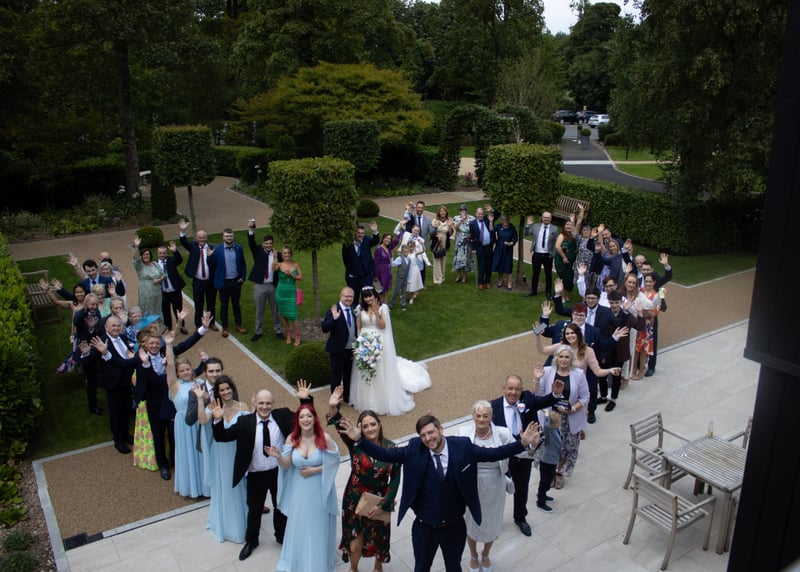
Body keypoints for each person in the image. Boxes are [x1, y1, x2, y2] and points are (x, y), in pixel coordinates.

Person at [339, 414, 543, 572]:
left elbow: (494, 454)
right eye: (423, 435)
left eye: (431, 432)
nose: (428, 438)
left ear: (441, 429)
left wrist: (521, 443)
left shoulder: (462, 447)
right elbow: (385, 454)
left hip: (454, 526)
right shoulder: (414, 449)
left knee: (453, 567)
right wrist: (360, 440)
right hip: (424, 527)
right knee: (421, 568)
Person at [211, 384, 313, 561]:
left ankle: (281, 536)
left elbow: (306, 420)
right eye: (261, 403)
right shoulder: (244, 422)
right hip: (256, 474)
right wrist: (218, 421)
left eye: (268, 403)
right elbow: (222, 437)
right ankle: (252, 541)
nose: (264, 407)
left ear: (273, 403)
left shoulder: (283, 416)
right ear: (254, 403)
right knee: (254, 509)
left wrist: (305, 401)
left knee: (280, 506)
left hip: (278, 472)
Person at [327, 386, 400, 572]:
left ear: (379, 425)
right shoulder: (355, 443)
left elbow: (395, 479)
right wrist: (333, 407)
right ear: (360, 428)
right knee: (354, 544)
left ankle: (378, 566)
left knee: (379, 539)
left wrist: (385, 503)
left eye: (373, 424)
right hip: (354, 499)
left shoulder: (392, 448)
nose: (370, 429)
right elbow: (340, 424)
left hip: (379, 501)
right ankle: (354, 568)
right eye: (365, 426)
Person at [134, 311, 210, 480]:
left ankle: (177, 461)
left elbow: (185, 345)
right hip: (155, 402)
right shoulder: (141, 360)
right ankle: (162, 464)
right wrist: (146, 364)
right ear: (145, 345)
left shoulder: (165, 352)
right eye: (151, 343)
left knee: (174, 433)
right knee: (158, 434)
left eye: (157, 343)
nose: (154, 346)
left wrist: (203, 329)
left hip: (171, 401)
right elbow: (154, 381)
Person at [267, 403, 340, 572]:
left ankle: (317, 563)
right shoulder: (292, 439)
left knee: (317, 525)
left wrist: (315, 470)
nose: (306, 419)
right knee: (299, 525)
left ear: (314, 418)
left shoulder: (324, 438)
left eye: (309, 416)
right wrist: (278, 456)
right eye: (302, 417)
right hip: (299, 491)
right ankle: (299, 561)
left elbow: (334, 461)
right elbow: (286, 465)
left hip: (318, 489)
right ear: (298, 420)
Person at [489, 374, 563, 537]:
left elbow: (545, 401)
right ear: (504, 388)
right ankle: (494, 520)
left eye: (517, 389)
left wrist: (556, 394)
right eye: (510, 388)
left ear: (521, 390)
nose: (513, 392)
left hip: (524, 455)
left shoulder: (528, 399)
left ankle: (520, 518)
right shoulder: (493, 407)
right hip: (503, 456)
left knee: (521, 489)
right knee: (497, 490)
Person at [350, 287, 429, 416]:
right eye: (365, 297)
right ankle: (368, 400)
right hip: (365, 343)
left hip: (379, 342)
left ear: (375, 295)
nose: (368, 299)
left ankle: (382, 399)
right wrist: (360, 341)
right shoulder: (360, 309)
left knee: (380, 370)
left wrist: (376, 312)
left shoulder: (383, 308)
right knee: (366, 370)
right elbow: (359, 326)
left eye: (370, 296)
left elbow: (382, 326)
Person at [458, 400, 515, 572]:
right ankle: (473, 555)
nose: (481, 419)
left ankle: (486, 554)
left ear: (491, 417)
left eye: (485, 416)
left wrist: (531, 444)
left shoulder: (503, 433)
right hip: (472, 485)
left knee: (493, 522)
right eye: (478, 415)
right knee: (471, 523)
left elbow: (518, 450)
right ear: (472, 416)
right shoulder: (463, 433)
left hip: (495, 484)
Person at [197, 376, 248, 543]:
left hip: (237, 451)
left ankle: (241, 522)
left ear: (232, 389)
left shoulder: (243, 407)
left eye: (228, 388)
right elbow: (202, 420)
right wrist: (200, 400)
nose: (226, 392)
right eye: (222, 390)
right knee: (224, 485)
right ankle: (226, 525)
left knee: (238, 485)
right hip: (220, 453)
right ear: (218, 392)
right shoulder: (214, 406)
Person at [534, 347, 590, 490]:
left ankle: (559, 473)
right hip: (551, 417)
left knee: (567, 447)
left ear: (571, 359)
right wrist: (537, 379)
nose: (563, 360)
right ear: (556, 358)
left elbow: (585, 397)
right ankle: (549, 472)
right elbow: (538, 395)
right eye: (561, 356)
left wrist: (572, 408)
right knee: (548, 447)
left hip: (570, 418)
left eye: (566, 357)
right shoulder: (547, 371)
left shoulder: (578, 374)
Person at [165, 335, 208, 497]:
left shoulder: (200, 383)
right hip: (184, 423)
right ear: (177, 373)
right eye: (181, 371)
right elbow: (170, 365)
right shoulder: (174, 385)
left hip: (200, 420)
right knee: (188, 454)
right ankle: (192, 488)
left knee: (203, 453)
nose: (185, 372)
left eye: (187, 369)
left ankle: (206, 486)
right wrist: (169, 345)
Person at [247, 221, 284, 341]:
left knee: (275, 310)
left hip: (273, 286)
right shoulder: (258, 251)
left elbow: (284, 266)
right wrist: (251, 230)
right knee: (260, 310)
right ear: (263, 244)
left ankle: (278, 330)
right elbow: (251, 243)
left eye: (270, 243)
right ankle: (258, 331)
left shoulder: (278, 255)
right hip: (260, 285)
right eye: (266, 243)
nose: (268, 245)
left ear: (273, 244)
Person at [178, 219, 218, 330]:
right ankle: (198, 324)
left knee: (211, 303)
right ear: (196, 238)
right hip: (198, 281)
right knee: (198, 303)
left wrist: (211, 257)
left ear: (206, 238)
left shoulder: (212, 248)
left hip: (210, 281)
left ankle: (211, 323)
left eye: (203, 237)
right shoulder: (193, 247)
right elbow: (183, 242)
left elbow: (216, 264)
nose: (201, 239)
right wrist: (183, 231)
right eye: (199, 238)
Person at [209, 228, 247, 338]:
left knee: (236, 304)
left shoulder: (238, 248)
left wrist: (242, 277)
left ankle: (239, 325)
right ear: (223, 237)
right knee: (224, 305)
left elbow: (243, 264)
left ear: (233, 237)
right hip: (224, 282)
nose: (229, 238)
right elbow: (211, 265)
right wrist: (209, 257)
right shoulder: (217, 249)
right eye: (226, 236)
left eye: (230, 236)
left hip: (236, 281)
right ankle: (225, 327)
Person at [322, 287, 357, 403]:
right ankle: (335, 400)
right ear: (341, 296)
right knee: (336, 377)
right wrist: (334, 318)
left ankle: (347, 398)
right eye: (346, 296)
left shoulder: (354, 309)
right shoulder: (333, 310)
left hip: (351, 349)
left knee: (348, 375)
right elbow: (324, 328)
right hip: (337, 350)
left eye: (351, 297)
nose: (349, 299)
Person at [343, 221, 380, 306]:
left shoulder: (367, 239)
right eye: (359, 233)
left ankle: (366, 311)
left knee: (367, 296)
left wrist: (375, 231)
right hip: (354, 276)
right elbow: (345, 258)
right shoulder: (348, 243)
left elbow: (375, 241)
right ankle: (354, 312)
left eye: (362, 233)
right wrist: (350, 271)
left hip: (366, 275)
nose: (361, 235)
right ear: (355, 233)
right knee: (353, 298)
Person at [633, 273, 662, 380]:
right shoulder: (639, 291)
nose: (648, 283)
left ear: (654, 282)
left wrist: (642, 311)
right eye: (646, 281)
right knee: (635, 348)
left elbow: (654, 313)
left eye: (650, 281)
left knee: (644, 349)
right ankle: (633, 369)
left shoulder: (656, 295)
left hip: (647, 326)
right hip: (636, 323)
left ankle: (641, 370)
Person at [525, 211, 559, 298]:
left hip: (548, 255)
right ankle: (533, 290)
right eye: (545, 217)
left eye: (548, 217)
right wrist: (528, 225)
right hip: (537, 254)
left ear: (551, 218)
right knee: (535, 273)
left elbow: (556, 242)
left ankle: (548, 292)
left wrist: (553, 254)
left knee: (548, 274)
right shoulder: (536, 226)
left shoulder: (555, 229)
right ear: (542, 218)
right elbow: (527, 234)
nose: (546, 219)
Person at [273, 245, 303, 346]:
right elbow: (273, 269)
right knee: (283, 315)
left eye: (288, 253)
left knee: (293, 315)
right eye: (285, 253)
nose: (287, 255)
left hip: (291, 293)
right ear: (282, 255)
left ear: (291, 254)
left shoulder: (295, 265)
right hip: (281, 293)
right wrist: (275, 257)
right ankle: (288, 335)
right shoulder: (279, 264)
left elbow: (301, 277)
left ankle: (297, 336)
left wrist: (292, 274)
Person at [535, 408, 562, 513]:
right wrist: (546, 415)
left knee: (549, 480)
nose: (560, 423)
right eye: (558, 422)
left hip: (553, 460)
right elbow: (546, 426)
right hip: (546, 461)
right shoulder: (549, 433)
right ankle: (540, 502)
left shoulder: (556, 430)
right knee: (545, 482)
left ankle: (542, 495)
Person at [156, 242, 187, 334]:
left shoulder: (171, 260)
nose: (162, 255)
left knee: (178, 309)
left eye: (164, 253)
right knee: (165, 311)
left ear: (166, 253)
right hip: (163, 292)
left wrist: (175, 251)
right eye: (160, 253)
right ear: (157, 254)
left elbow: (179, 259)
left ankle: (181, 325)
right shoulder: (155, 264)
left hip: (174, 290)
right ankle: (168, 327)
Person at [132, 235, 165, 320]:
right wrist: (137, 246)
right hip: (146, 292)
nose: (146, 256)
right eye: (144, 255)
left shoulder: (155, 264)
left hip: (157, 292)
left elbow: (164, 275)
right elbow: (136, 259)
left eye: (147, 254)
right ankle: (146, 326)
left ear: (150, 255)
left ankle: (157, 325)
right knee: (146, 310)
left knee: (157, 309)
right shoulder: (140, 266)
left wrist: (158, 280)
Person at [469, 207, 495, 290]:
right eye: (479, 214)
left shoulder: (487, 219)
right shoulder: (472, 223)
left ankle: (488, 281)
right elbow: (472, 237)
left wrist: (491, 210)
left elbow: (497, 214)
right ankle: (480, 282)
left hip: (489, 247)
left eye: (482, 214)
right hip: (480, 247)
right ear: (476, 214)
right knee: (481, 266)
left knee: (489, 265)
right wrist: (473, 248)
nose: (480, 215)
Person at [491, 214, 517, 290]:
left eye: (507, 220)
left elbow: (515, 238)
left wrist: (511, 243)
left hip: (508, 249)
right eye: (504, 220)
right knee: (499, 263)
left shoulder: (512, 227)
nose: (505, 221)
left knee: (508, 264)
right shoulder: (498, 226)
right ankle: (500, 280)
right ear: (501, 220)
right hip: (499, 248)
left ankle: (509, 282)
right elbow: (492, 231)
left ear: (508, 220)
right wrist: (491, 222)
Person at [554, 219, 577, 302]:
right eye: (567, 224)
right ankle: (562, 296)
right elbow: (557, 247)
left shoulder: (574, 236)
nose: (568, 226)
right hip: (561, 261)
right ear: (564, 226)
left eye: (570, 225)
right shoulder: (561, 235)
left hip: (571, 263)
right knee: (562, 278)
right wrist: (564, 257)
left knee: (570, 280)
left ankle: (568, 295)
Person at [451, 204, 474, 283]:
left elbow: (473, 230)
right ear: (459, 211)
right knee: (458, 258)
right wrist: (461, 220)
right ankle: (458, 276)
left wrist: (471, 235)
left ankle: (464, 276)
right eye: (461, 210)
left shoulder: (472, 219)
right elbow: (455, 227)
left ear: (467, 211)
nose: (463, 212)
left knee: (466, 258)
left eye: (464, 210)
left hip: (467, 242)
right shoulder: (456, 218)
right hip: (459, 242)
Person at [431, 206, 454, 285]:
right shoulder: (435, 221)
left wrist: (450, 227)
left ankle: (442, 276)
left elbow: (450, 234)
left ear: (446, 212)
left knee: (443, 258)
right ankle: (437, 278)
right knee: (436, 258)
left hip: (445, 240)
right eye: (441, 211)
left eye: (444, 211)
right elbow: (431, 233)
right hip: (436, 240)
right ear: (439, 212)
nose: (443, 212)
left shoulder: (449, 221)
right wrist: (436, 228)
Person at [388, 244, 413, 311]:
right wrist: (391, 257)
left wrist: (409, 279)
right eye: (405, 252)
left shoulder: (409, 259)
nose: (406, 253)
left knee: (404, 291)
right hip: (399, 278)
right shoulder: (399, 258)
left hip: (405, 278)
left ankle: (403, 304)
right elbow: (393, 264)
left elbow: (410, 270)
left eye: (407, 251)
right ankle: (391, 305)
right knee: (396, 291)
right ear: (402, 252)